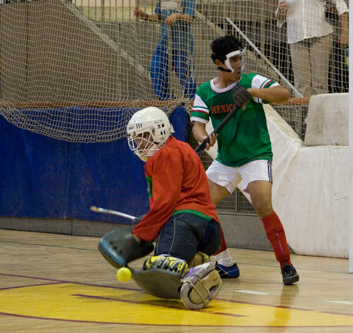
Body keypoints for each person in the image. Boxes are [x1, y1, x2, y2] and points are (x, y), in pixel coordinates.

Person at [190, 35, 300, 285]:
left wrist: (251, 93)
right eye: (234, 59)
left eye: (241, 58)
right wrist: (204, 137)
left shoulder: (251, 81)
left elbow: (283, 94)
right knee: (200, 205)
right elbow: (197, 124)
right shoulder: (205, 91)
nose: (240, 64)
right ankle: (226, 263)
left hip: (256, 155)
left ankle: (286, 265)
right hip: (226, 159)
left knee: (262, 204)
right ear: (219, 62)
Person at [98, 106, 222, 309]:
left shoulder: (165, 155)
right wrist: (149, 222)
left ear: (159, 131)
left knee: (162, 266)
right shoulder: (180, 148)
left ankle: (200, 278)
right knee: (163, 262)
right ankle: (196, 261)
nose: (138, 143)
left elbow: (166, 204)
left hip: (184, 224)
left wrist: (141, 234)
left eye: (142, 136)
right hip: (208, 229)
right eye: (136, 138)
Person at [275, 0, 349, 97]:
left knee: (320, 83)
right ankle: (304, 112)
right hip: (296, 37)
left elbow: (340, 4)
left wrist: (345, 32)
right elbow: (280, 18)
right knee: (301, 85)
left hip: (321, 34)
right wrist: (281, 10)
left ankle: (319, 112)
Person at [133, 1, 196, 100]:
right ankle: (167, 101)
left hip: (182, 43)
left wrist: (177, 16)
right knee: (156, 69)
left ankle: (191, 102)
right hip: (164, 42)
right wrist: (145, 16)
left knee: (184, 73)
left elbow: (190, 18)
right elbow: (159, 16)